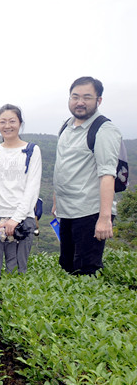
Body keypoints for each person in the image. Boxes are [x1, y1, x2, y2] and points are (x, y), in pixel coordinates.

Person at [53, 76, 123, 275]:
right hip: (67, 212)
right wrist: (57, 202)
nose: (80, 102)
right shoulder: (67, 126)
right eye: (75, 97)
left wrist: (104, 218)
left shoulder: (103, 129)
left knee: (86, 271)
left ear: (98, 100)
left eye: (87, 97)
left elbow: (107, 175)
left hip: (89, 213)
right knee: (67, 266)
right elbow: (62, 165)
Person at [0, 104, 42, 278]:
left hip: (20, 218)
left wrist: (15, 219)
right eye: (2, 122)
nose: (7, 126)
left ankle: (12, 305)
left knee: (16, 271)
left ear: (20, 123)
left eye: (12, 121)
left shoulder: (31, 151)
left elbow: (32, 188)